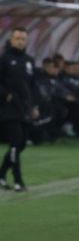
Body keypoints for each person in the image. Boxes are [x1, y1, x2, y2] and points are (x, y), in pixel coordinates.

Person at [0, 26, 36, 192]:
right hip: (9, 109)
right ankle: (18, 181)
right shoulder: (4, 59)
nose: (20, 42)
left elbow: (31, 85)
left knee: (21, 144)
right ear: (11, 40)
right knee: (16, 143)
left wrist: (34, 105)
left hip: (24, 108)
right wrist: (5, 95)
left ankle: (1, 175)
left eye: (23, 39)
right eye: (17, 38)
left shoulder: (29, 60)